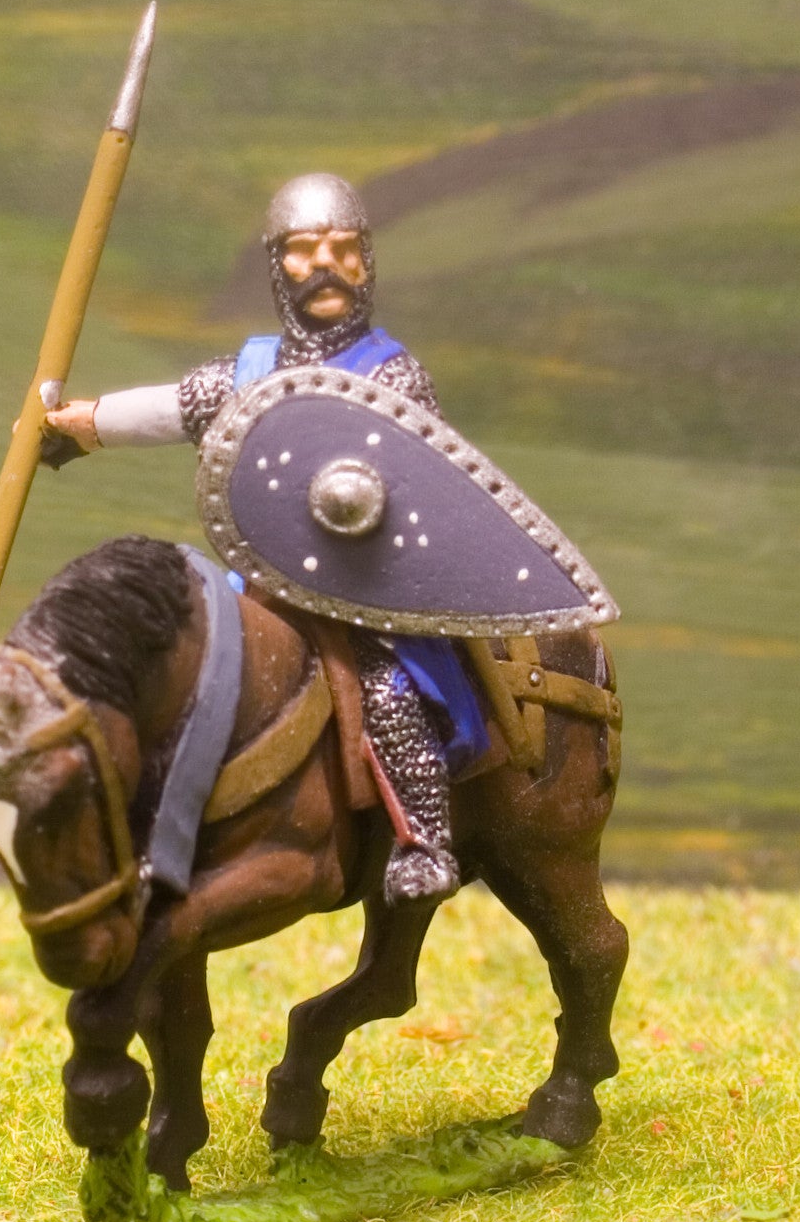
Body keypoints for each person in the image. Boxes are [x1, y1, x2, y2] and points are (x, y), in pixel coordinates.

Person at [45, 174, 488, 905]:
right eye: (305, 250)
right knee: (196, 675)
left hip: (365, 591)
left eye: (343, 249)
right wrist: (82, 426)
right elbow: (171, 408)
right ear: (277, 264)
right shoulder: (249, 373)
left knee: (388, 689)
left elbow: (432, 486)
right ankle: (167, 836)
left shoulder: (393, 375)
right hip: (264, 581)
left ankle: (424, 841)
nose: (325, 266)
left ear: (366, 261)